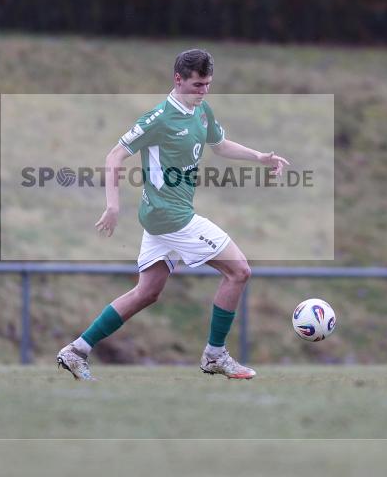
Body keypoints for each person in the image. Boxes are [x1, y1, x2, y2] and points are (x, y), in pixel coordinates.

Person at [57, 49, 289, 381]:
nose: (203, 91)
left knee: (146, 292)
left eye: (207, 84)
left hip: (161, 217)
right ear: (178, 79)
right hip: (171, 216)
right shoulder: (158, 119)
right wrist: (112, 205)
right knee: (239, 271)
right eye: (197, 85)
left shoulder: (201, 110)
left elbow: (220, 145)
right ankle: (215, 355)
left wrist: (260, 157)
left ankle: (76, 350)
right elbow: (114, 156)